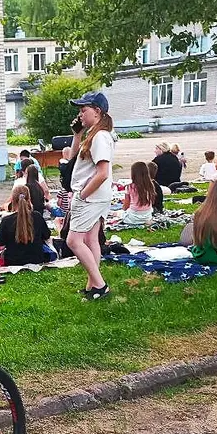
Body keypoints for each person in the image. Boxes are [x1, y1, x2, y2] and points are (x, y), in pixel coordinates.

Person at [66, 91, 114, 301]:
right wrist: (77, 135)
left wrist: (83, 195)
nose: (80, 114)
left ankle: (100, 286)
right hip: (96, 196)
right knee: (90, 239)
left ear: (97, 111)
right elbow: (72, 160)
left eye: (83, 110)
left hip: (91, 197)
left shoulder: (100, 136)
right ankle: (92, 285)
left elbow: (102, 173)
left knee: (73, 241)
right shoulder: (95, 134)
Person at [0, 186, 54, 266]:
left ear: (12, 199)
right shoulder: (37, 216)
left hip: (13, 261)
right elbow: (47, 236)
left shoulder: (6, 220)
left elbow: (0, 247)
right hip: (37, 258)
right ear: (29, 198)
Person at [119, 161, 156, 226]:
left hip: (133, 217)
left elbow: (126, 206)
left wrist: (123, 208)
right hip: (147, 216)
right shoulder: (150, 185)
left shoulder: (129, 187)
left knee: (119, 214)